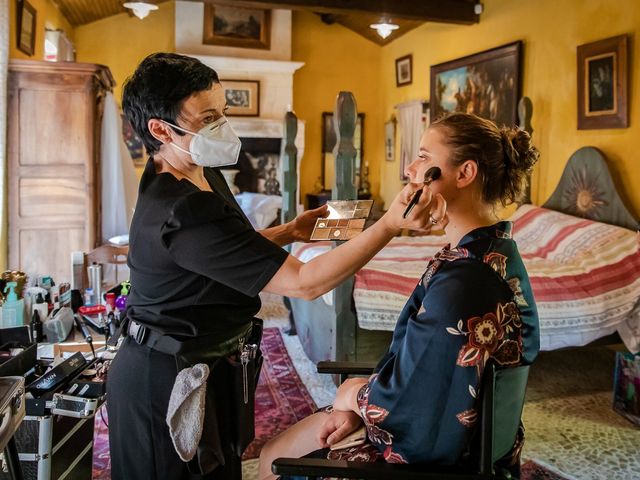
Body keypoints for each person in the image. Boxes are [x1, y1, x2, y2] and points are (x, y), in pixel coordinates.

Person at [106, 52, 446, 480]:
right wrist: (390, 226)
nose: (222, 128)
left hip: (202, 362)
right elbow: (304, 283)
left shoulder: (200, 173)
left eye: (222, 113)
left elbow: (224, 255)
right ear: (160, 130)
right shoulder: (182, 207)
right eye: (208, 117)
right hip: (163, 379)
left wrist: (291, 231)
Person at [258, 112, 541, 480]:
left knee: (271, 458)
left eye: (423, 156)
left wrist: (353, 397)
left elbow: (417, 423)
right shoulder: (494, 253)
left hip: (428, 458)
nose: (409, 167)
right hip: (451, 435)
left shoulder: (464, 285)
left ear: (465, 173)